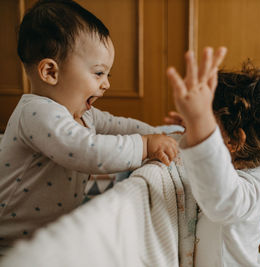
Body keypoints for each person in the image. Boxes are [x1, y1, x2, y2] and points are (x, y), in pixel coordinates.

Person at [0, 0, 178, 251]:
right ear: (50, 72)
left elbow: (117, 125)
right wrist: (145, 146)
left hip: (47, 230)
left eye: (108, 75)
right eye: (98, 73)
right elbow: (89, 151)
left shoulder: (82, 113)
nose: (106, 84)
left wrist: (157, 133)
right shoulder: (36, 113)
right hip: (9, 236)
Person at [166, 48, 260, 266]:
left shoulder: (251, 187)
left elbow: (220, 199)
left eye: (208, 125)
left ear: (234, 141)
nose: (199, 131)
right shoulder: (235, 168)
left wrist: (201, 132)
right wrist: (195, 130)